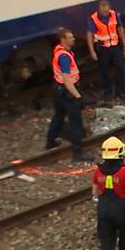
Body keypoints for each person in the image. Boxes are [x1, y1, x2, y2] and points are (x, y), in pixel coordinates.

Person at [45, 28, 93, 161]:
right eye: (70, 37)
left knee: (59, 116)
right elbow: (67, 80)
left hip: (57, 90)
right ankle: (78, 153)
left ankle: (50, 142)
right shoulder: (65, 57)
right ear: (63, 40)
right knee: (76, 122)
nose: (73, 39)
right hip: (67, 92)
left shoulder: (58, 50)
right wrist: (78, 96)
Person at [86, 0, 125, 101]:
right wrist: (92, 51)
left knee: (121, 68)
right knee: (104, 71)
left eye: (107, 9)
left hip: (115, 47)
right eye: (103, 10)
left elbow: (120, 29)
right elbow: (90, 35)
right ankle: (108, 92)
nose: (106, 12)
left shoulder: (114, 15)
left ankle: (121, 90)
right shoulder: (93, 19)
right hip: (102, 49)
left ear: (109, 7)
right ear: (99, 9)